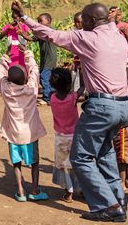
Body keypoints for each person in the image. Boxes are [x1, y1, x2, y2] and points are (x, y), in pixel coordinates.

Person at [13, 0, 128, 221]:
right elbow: (112, 24)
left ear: (93, 21)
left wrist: (25, 18)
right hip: (124, 105)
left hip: (102, 106)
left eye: (83, 20)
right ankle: (119, 198)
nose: (79, 24)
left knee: (81, 158)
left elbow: (52, 35)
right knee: (104, 152)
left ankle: (110, 206)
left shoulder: (87, 38)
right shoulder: (117, 34)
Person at [0, 49, 48, 202]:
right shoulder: (31, 89)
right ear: (26, 78)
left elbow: (0, 75)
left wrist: (4, 58)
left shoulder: (6, 90)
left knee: (16, 163)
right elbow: (35, 71)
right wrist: (27, 54)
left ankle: (20, 191)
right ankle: (34, 190)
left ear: (9, 79)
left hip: (13, 134)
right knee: (34, 162)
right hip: (30, 134)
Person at [49, 67, 79, 202]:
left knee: (64, 166)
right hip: (75, 136)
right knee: (76, 164)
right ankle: (81, 188)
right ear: (69, 84)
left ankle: (68, 193)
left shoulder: (52, 98)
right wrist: (81, 72)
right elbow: (82, 88)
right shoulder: (73, 98)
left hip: (60, 137)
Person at [35, 13, 58, 104]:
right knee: (46, 78)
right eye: (38, 21)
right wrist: (22, 33)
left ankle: (47, 99)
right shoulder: (41, 32)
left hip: (49, 60)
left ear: (48, 21)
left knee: (44, 77)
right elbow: (31, 38)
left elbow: (33, 37)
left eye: (41, 21)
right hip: (45, 60)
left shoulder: (49, 31)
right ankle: (52, 96)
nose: (39, 23)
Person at [109, 6, 128, 86]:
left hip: (124, 54)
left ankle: (126, 86)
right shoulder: (107, 26)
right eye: (114, 14)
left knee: (126, 73)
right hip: (111, 53)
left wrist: (125, 32)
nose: (116, 17)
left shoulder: (125, 25)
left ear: (121, 16)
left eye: (118, 15)